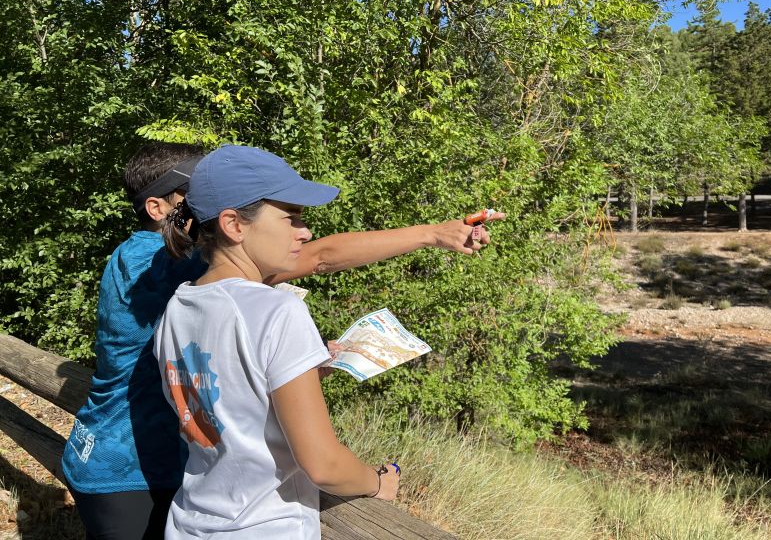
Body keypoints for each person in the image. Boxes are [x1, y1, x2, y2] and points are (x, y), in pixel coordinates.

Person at [62, 141, 502, 540]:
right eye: (193, 193)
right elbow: (318, 258)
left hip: (177, 481)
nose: (201, 204)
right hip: (131, 466)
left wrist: (288, 366)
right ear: (160, 208)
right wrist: (432, 234)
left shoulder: (180, 290)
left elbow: (221, 351)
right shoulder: (155, 262)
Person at [152, 145, 401, 537]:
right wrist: (378, 481)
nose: (306, 231)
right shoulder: (277, 311)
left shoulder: (177, 309)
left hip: (190, 524)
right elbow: (323, 465)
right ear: (234, 225)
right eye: (291, 217)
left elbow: (225, 407)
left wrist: (300, 375)